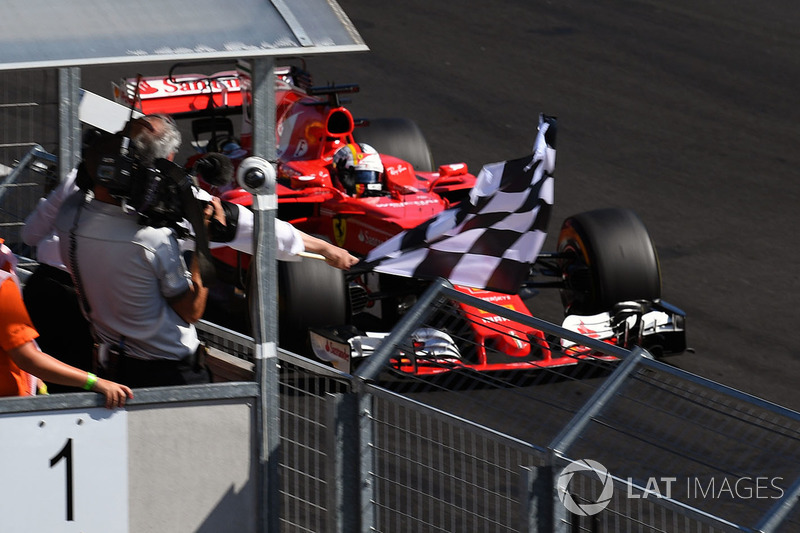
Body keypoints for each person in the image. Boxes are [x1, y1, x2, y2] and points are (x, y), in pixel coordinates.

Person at [0, 239, 132, 408]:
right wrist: (95, 382)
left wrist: (34, 376)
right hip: (8, 411)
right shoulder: (2, 285)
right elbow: (27, 358)